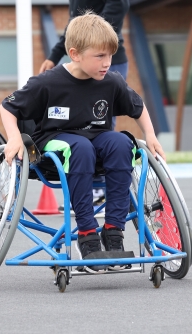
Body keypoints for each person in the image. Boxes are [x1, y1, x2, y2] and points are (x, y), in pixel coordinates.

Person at [1, 12, 164, 273]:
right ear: (75, 54)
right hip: (54, 142)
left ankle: (114, 231)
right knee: (80, 148)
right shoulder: (48, 82)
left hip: (95, 140)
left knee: (122, 143)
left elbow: (138, 107)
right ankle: (87, 234)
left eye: (110, 56)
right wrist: (12, 139)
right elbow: (8, 107)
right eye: (99, 56)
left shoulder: (111, 81)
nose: (107, 63)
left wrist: (152, 135)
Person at [39, 0, 130, 212]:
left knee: (100, 122)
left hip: (104, 56)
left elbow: (112, 15)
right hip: (84, 54)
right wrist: (54, 56)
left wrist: (95, 49)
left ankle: (99, 190)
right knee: (77, 124)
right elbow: (75, 28)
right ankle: (82, 188)